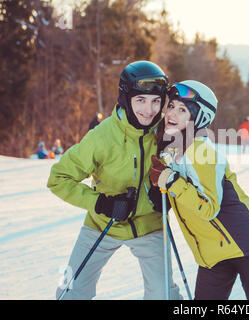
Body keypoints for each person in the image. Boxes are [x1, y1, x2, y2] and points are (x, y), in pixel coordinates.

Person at [47, 61, 182, 300]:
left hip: (149, 226)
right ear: (125, 98)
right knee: (70, 290)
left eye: (155, 101)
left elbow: (183, 175)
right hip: (102, 223)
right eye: (140, 100)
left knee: (164, 296)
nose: (149, 110)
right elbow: (58, 178)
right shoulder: (101, 136)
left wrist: (169, 196)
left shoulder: (166, 134)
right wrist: (102, 204)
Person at [149, 80, 249, 300]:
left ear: (199, 118)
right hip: (213, 255)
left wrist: (171, 181)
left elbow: (209, 208)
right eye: (171, 106)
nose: (172, 113)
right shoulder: (173, 151)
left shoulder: (202, 150)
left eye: (183, 110)